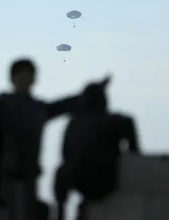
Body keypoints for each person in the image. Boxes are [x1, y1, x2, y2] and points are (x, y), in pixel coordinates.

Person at [0, 58, 110, 220]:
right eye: (22, 75)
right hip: (10, 174)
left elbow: (65, 104)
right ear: (13, 78)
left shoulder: (39, 108)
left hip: (31, 175)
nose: (26, 79)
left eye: (30, 75)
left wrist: (97, 89)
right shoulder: (5, 104)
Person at [54, 79, 140, 220]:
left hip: (81, 179)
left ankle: (60, 213)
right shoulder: (115, 121)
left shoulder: (74, 123)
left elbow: (65, 154)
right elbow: (130, 131)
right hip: (106, 178)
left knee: (60, 172)